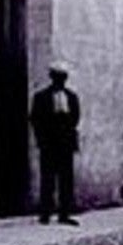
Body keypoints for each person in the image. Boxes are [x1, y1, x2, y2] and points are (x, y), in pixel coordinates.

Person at [29, 60, 81, 225]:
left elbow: (75, 118)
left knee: (66, 179)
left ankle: (64, 213)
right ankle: (45, 213)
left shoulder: (71, 97)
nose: (60, 80)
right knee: (48, 179)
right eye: (57, 76)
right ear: (52, 77)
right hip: (49, 144)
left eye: (63, 77)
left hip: (65, 144)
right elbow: (35, 119)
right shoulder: (41, 97)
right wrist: (42, 139)